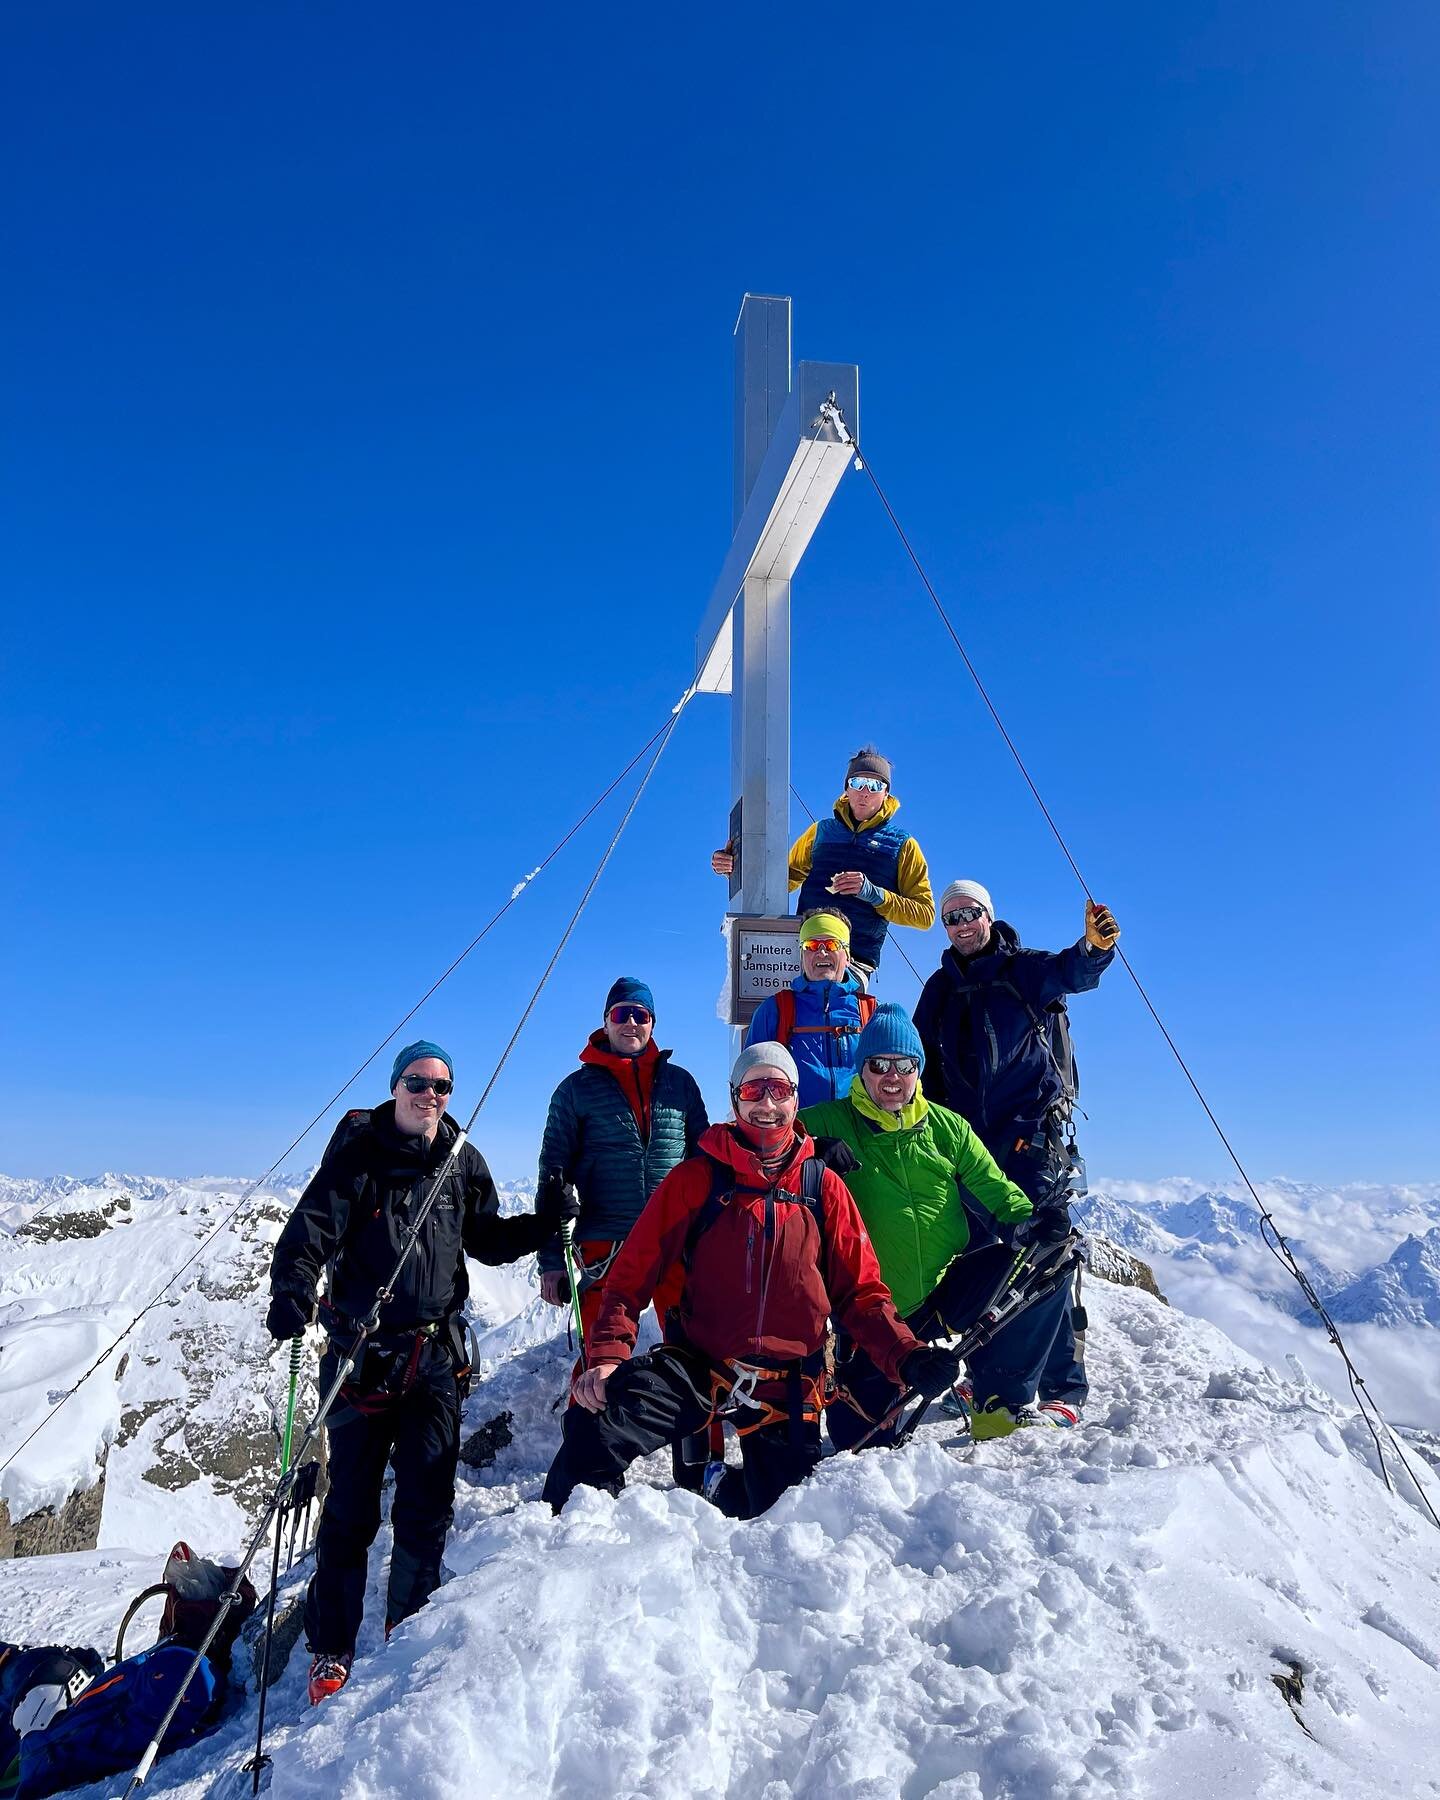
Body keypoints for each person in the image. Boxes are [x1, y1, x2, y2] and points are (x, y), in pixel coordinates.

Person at [266, 1039, 575, 1706]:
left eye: (441, 1086)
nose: (428, 1095)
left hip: (433, 1357)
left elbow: (485, 1239)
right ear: (395, 1085)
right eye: (417, 1082)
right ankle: (332, 1650)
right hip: (358, 1357)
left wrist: (544, 1223)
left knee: (426, 1501)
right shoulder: (358, 1159)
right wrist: (290, 1292)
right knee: (348, 1510)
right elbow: (308, 1234)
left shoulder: (461, 1162)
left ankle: (406, 1630)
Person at [541, 1042, 961, 1518]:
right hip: (700, 1367)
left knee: (781, 1513)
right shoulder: (697, 1178)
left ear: (795, 1099)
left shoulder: (822, 1187)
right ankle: (561, 1548)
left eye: (778, 1089)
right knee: (594, 1423)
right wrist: (609, 1356)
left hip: (788, 1385)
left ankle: (722, 1489)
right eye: (754, 1090)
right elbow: (630, 1277)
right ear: (735, 1098)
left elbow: (861, 1293)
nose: (766, 1104)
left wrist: (907, 1356)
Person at [800, 1003, 1082, 1445]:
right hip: (869, 1313)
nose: (892, 1077)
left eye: (905, 1065)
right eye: (879, 1064)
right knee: (860, 1440)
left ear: (918, 1069)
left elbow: (996, 1190)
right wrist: (809, 1148)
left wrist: (1034, 1221)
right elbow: (755, 1143)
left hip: (941, 1293)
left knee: (1044, 1266)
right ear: (862, 1068)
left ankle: (997, 1401)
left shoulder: (947, 1127)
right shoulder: (827, 1121)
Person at [913, 882, 1121, 1426]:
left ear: (989, 915)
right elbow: (918, 1061)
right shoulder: (938, 989)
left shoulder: (1022, 971)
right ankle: (990, 1381)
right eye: (951, 916)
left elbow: (1071, 973)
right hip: (967, 1143)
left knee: (1042, 1248)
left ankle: (1062, 1387)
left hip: (1032, 1135)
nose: (961, 924)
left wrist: (1095, 948)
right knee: (987, 1258)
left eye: (970, 913)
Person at [536, 976, 708, 1349]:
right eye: (622, 1013)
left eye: (640, 1015)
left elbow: (706, 1162)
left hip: (672, 1239)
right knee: (601, 1354)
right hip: (605, 1243)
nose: (631, 1022)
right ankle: (590, 1409)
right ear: (606, 1021)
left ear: (652, 1023)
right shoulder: (575, 1091)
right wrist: (551, 1258)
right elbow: (553, 1176)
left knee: (692, 1352)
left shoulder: (681, 1085)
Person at [711, 747, 934, 975]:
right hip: (806, 953)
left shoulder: (903, 845)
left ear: (886, 793)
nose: (865, 792)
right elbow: (780, 881)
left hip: (855, 962)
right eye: (858, 783)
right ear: (846, 788)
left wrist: (874, 894)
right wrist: (736, 867)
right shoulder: (821, 832)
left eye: (875, 785)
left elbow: (925, 915)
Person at [743, 910, 876, 1108]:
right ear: (802, 956)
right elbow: (750, 1078)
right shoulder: (775, 1011)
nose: (821, 952)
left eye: (831, 944)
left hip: (860, 1134)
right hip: (798, 1132)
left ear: (847, 955)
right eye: (811, 945)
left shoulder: (871, 1012)